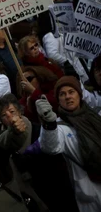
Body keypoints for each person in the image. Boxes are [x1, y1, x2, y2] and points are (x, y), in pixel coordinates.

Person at [36, 76, 101, 211]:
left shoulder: (94, 116)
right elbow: (50, 147)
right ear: (58, 100)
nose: (67, 97)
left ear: (79, 94)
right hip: (92, 193)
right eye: (62, 94)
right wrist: (48, 123)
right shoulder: (59, 126)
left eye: (71, 92)